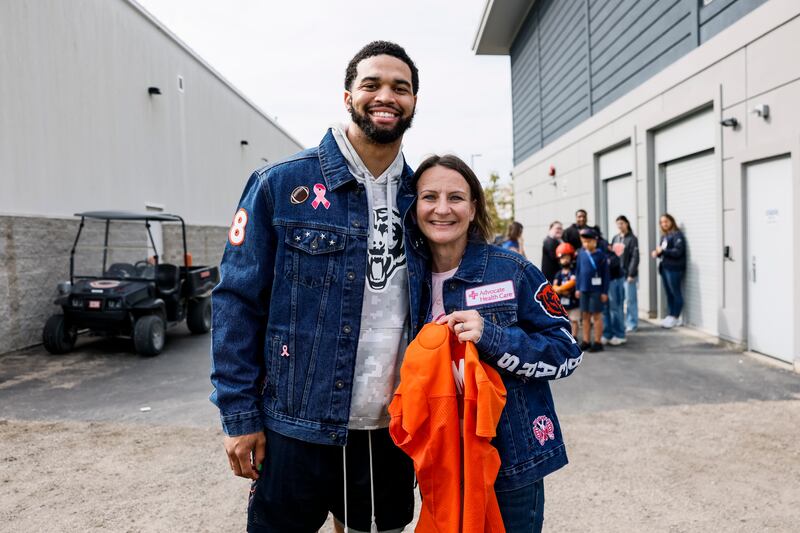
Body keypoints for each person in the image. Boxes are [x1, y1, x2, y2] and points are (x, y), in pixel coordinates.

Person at [210, 41, 420, 533]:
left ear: (413, 102)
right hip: (294, 424)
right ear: (347, 96)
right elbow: (235, 301)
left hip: (389, 431)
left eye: (401, 87)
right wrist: (239, 415)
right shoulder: (280, 184)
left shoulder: (423, 198)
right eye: (371, 84)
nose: (386, 96)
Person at [404, 154, 583, 532]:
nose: (441, 209)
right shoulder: (404, 280)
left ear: (473, 208)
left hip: (511, 460)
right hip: (440, 462)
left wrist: (493, 336)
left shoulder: (512, 270)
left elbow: (567, 350)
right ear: (414, 206)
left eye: (455, 197)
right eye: (429, 197)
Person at [575, 228, 609, 351]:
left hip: (596, 290)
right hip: (584, 289)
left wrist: (604, 291)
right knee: (585, 315)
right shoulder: (581, 253)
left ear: (595, 241)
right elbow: (578, 272)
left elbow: (606, 275)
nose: (586, 244)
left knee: (597, 315)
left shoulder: (601, 255)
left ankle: (598, 341)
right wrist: (577, 288)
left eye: (589, 241)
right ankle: (586, 340)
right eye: (584, 242)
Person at [651, 213, 686, 329]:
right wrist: (657, 253)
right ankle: (671, 315)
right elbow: (663, 251)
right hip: (665, 268)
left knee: (676, 293)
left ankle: (676, 317)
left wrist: (663, 251)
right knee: (669, 293)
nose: (664, 224)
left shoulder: (677, 235)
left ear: (671, 221)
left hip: (675, 268)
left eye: (666, 221)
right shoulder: (664, 236)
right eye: (662, 222)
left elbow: (678, 252)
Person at [612, 215, 640, 332]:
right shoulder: (615, 238)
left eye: (622, 223)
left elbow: (635, 257)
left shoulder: (632, 239)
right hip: (616, 275)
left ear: (627, 224)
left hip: (628, 275)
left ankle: (632, 323)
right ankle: (621, 323)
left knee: (630, 300)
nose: (620, 225)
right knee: (619, 300)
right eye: (618, 223)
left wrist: (631, 274)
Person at [601, 235, 626, 346]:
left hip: (614, 281)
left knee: (615, 308)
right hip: (603, 283)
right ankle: (608, 334)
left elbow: (613, 264)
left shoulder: (609, 252)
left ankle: (620, 334)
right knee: (605, 309)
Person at [552, 242, 579, 338]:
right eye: (563, 258)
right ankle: (565, 337)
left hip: (573, 301)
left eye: (567, 257)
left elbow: (572, 282)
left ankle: (574, 337)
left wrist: (561, 288)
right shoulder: (558, 273)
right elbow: (554, 286)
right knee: (563, 320)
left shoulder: (574, 272)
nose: (565, 260)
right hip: (562, 303)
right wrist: (559, 290)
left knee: (574, 320)